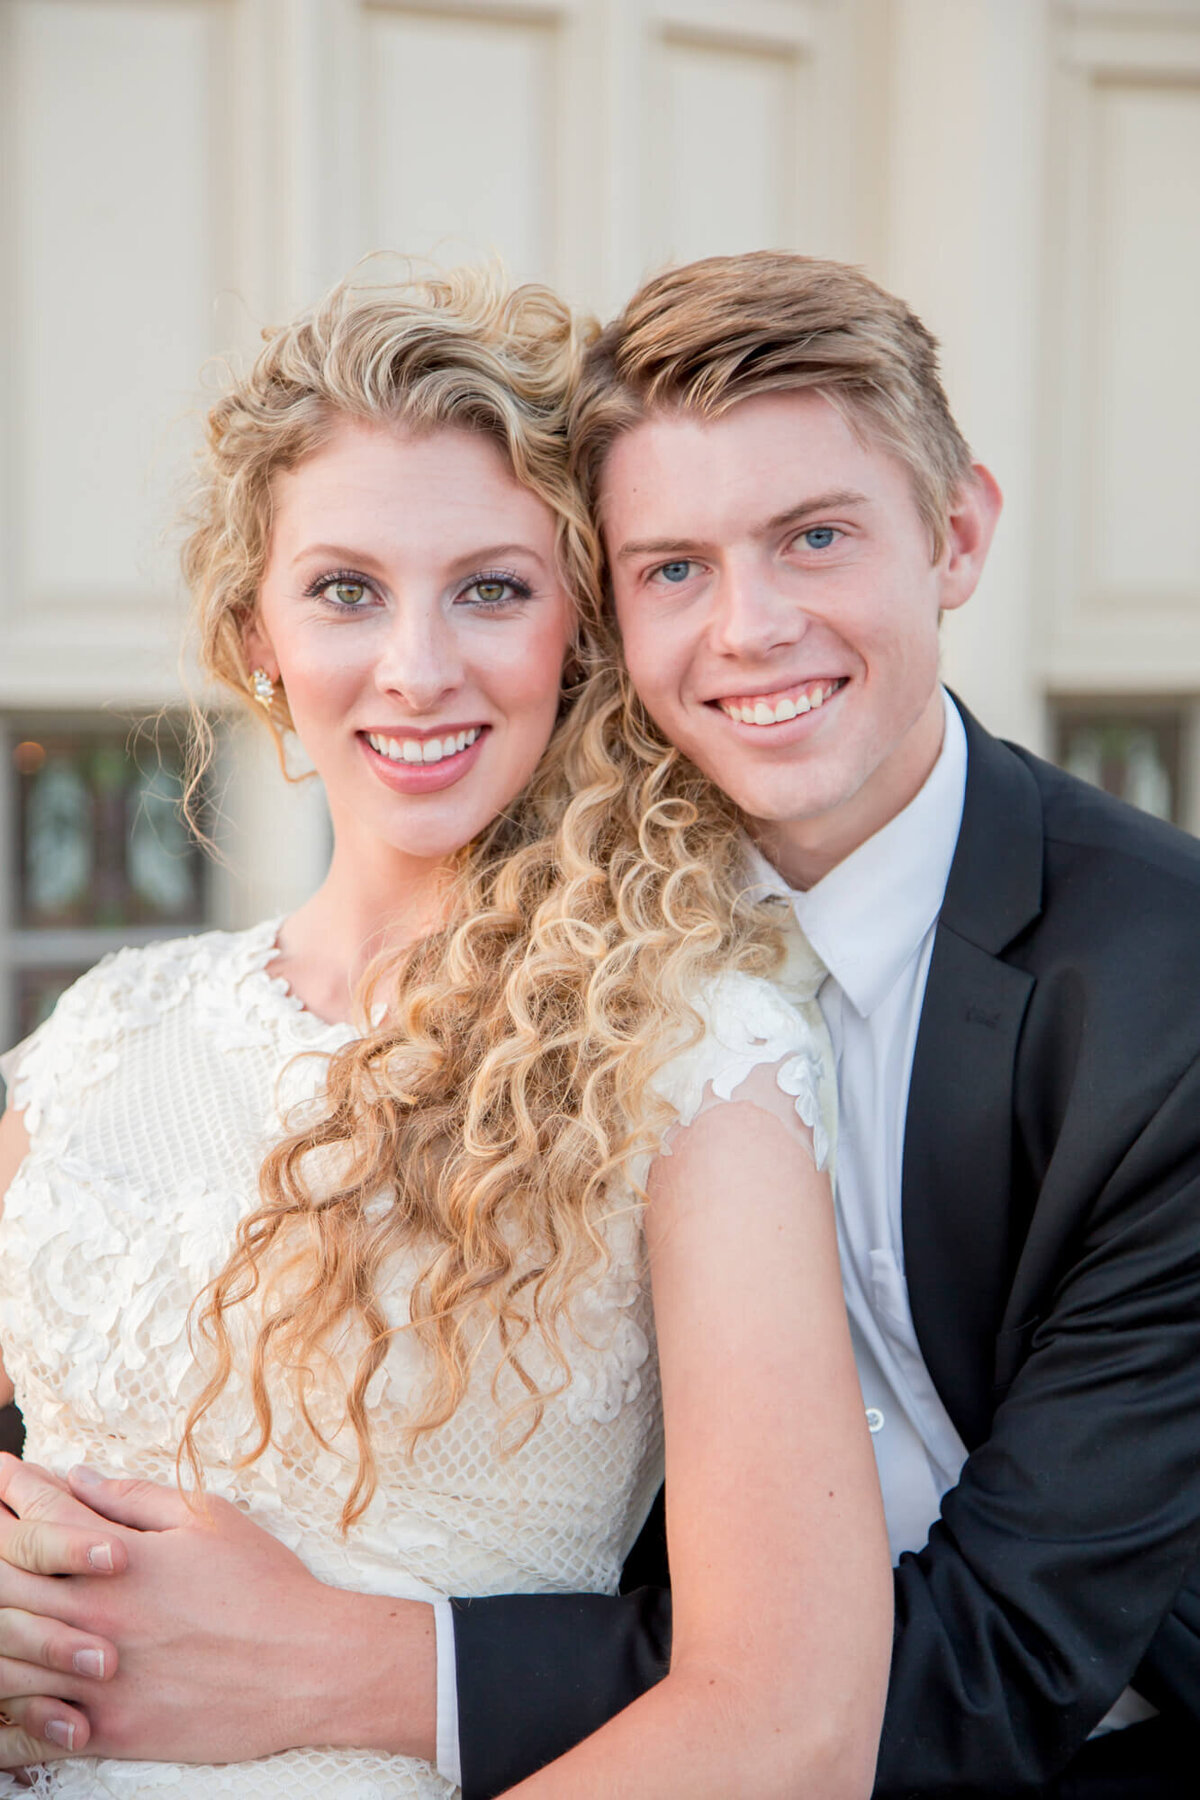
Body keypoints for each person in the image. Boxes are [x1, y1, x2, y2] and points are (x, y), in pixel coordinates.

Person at [3, 247, 1199, 1796]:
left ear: (958, 535)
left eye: (817, 537)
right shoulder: (127, 1026)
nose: (750, 629)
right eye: (674, 568)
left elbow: (930, 1679)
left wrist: (355, 1661)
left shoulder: (1115, 1009)